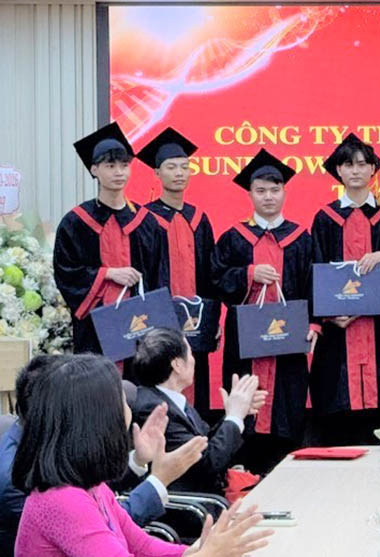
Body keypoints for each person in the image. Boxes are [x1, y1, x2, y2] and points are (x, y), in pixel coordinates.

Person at [11, 354, 272, 556]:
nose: (129, 409)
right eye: (121, 402)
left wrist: (193, 551)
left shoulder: (92, 487)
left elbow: (142, 545)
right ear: (98, 422)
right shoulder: (62, 500)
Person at [211, 149, 318, 473]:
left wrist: (315, 324)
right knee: (245, 406)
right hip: (246, 343)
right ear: (250, 194)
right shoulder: (233, 238)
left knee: (288, 406)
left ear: (284, 192)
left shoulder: (301, 239)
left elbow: (314, 284)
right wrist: (249, 274)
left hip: (288, 344)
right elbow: (215, 279)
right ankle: (241, 478)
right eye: (261, 190)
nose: (268, 196)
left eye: (274, 189)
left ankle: (287, 474)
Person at [309, 133, 380, 445]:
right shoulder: (325, 219)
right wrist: (327, 315)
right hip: (338, 328)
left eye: (363, 164)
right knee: (338, 404)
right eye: (348, 165)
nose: (356, 171)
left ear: (373, 169)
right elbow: (316, 268)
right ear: (338, 170)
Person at [53, 122, 160, 358]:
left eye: (124, 165)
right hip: (94, 323)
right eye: (110, 166)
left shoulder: (146, 222)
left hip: (140, 321)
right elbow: (65, 272)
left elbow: (158, 275)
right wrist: (108, 273)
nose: (119, 172)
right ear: (94, 170)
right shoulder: (76, 222)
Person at [137, 128, 219, 416]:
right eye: (171, 167)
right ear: (157, 173)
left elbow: (211, 274)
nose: (179, 173)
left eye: (185, 167)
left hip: (196, 323)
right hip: (160, 323)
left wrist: (213, 319)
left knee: (196, 383)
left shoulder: (200, 219)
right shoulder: (145, 219)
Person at [132, 328, 266, 495]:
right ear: (177, 365)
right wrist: (234, 416)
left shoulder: (170, 399)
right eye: (190, 353)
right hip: (188, 503)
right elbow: (208, 462)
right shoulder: (154, 409)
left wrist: (238, 413)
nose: (193, 360)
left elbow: (206, 442)